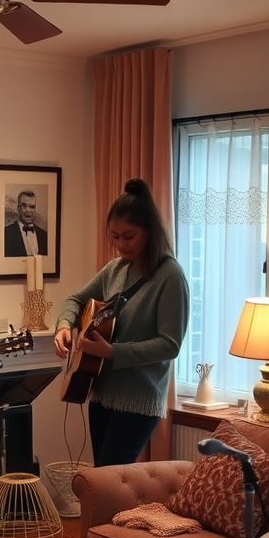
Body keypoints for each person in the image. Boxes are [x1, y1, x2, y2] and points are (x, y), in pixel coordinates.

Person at [54, 178, 189, 467]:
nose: (120, 244)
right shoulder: (115, 269)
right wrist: (64, 326)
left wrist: (113, 352)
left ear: (150, 231)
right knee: (100, 482)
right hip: (101, 392)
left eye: (128, 236)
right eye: (114, 236)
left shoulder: (171, 277)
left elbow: (170, 345)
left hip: (139, 401)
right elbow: (75, 300)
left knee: (109, 483)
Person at [4, 190, 48, 257]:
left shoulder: (44, 235)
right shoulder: (6, 233)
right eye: (24, 206)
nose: (27, 210)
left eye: (31, 207)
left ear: (35, 210)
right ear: (18, 209)